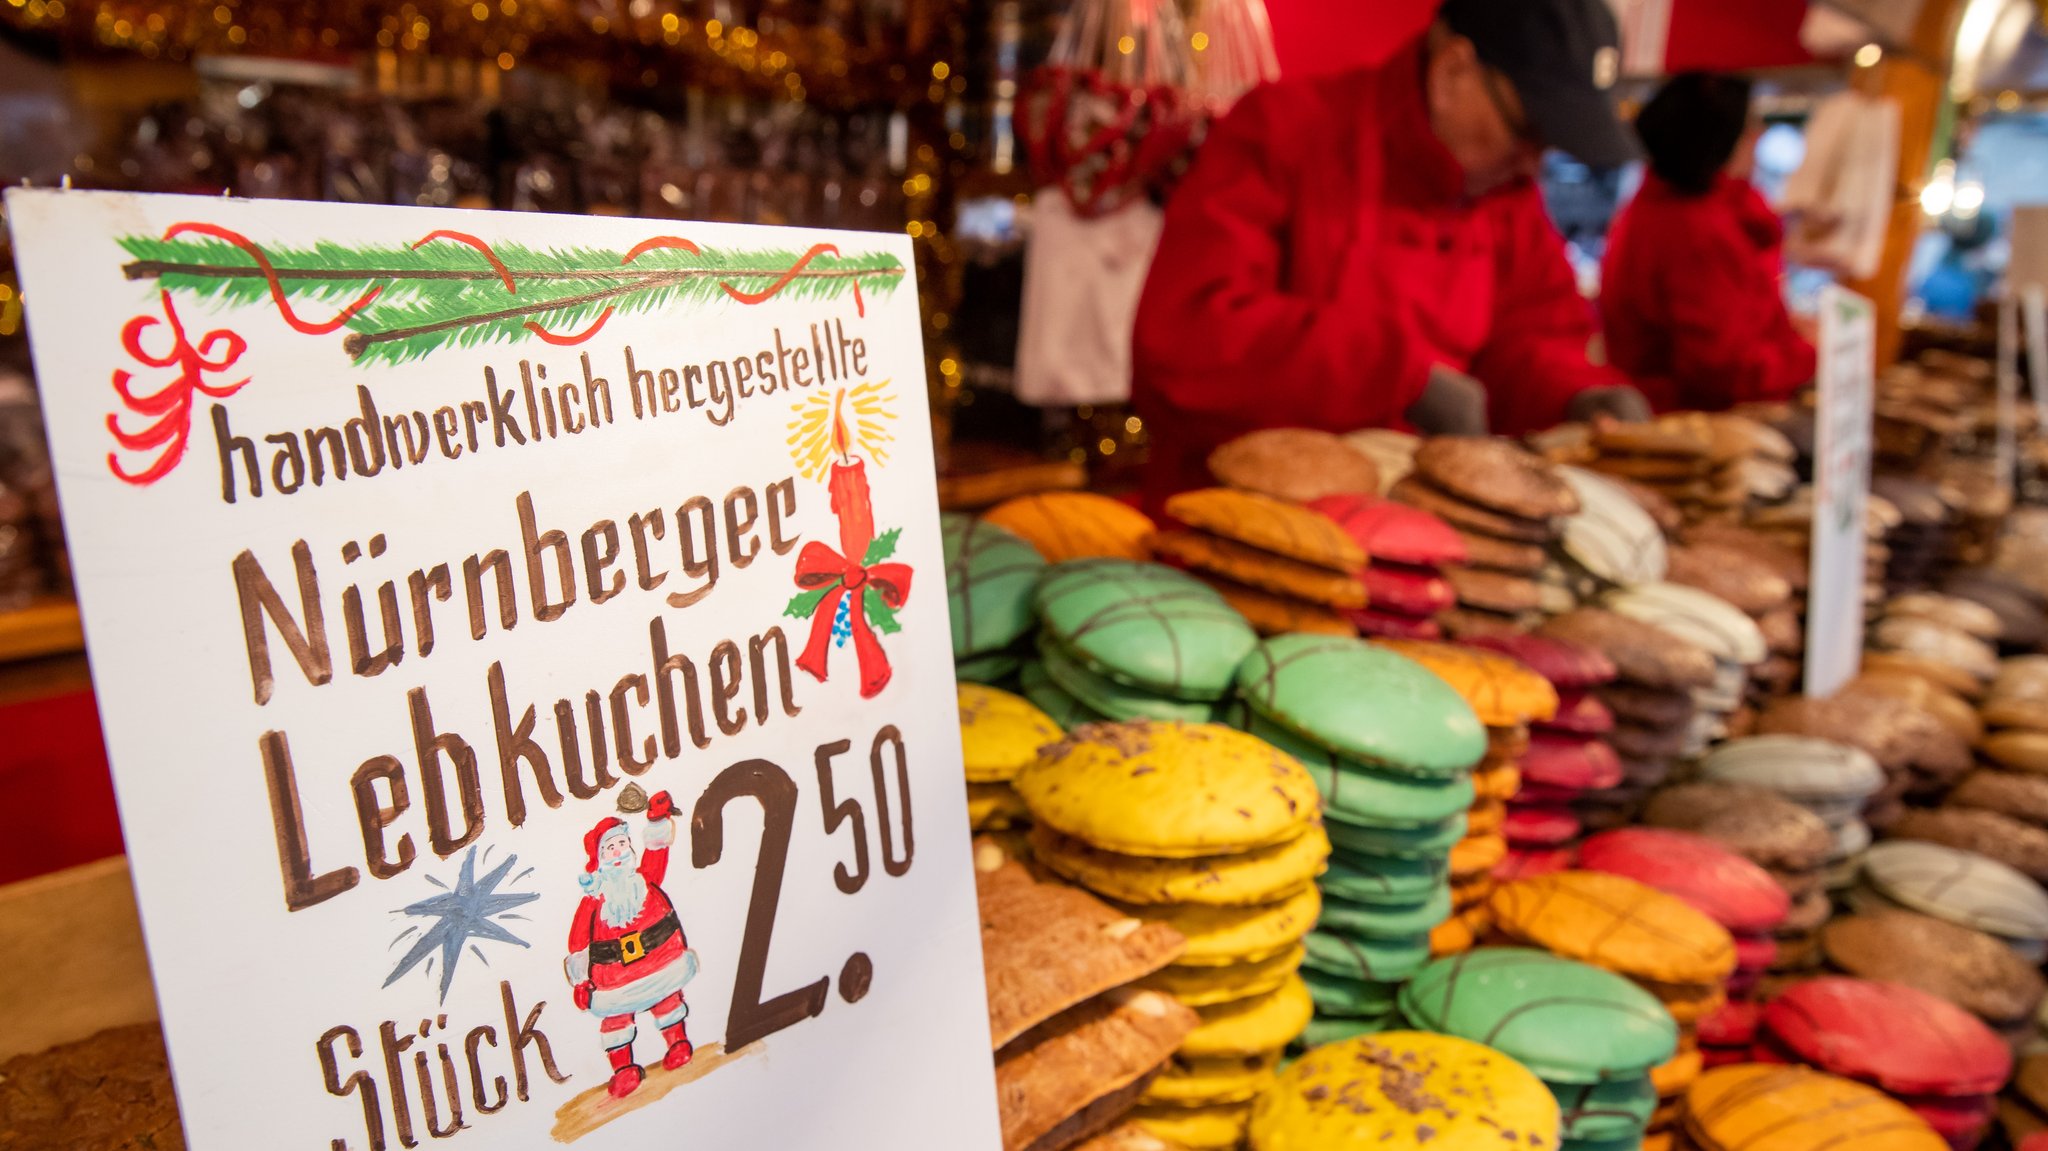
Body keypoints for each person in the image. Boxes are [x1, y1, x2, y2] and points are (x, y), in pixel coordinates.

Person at [1131, 0, 1651, 514]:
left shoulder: (1506, 195)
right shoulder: (1283, 131)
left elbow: (1531, 334)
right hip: (1238, 526)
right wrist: (1396, 380)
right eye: (1527, 131)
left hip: (1428, 536)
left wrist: (1579, 395)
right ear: (1454, 70)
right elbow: (1189, 339)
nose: (1535, 162)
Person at [1601, 72, 1815, 413]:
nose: (1758, 138)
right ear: (1720, 140)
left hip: (1682, 415)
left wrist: (1786, 333)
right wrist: (1808, 353)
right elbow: (1722, 370)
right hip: (1694, 428)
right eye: (1749, 127)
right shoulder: (1694, 229)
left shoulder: (1672, 208)